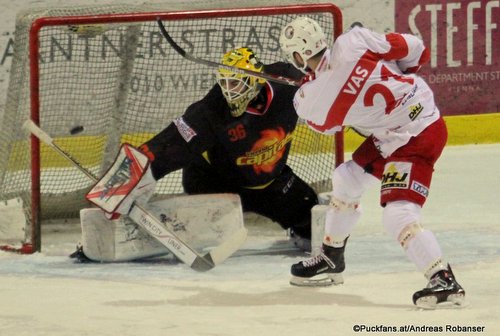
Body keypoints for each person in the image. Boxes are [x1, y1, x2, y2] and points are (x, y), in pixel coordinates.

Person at [278, 17, 465, 308]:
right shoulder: (354, 40)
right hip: (406, 123)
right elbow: (416, 49)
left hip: (417, 136)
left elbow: (326, 126)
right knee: (347, 178)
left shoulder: (310, 99)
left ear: (297, 57)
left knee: (397, 215)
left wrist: (312, 84)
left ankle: (443, 278)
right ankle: (332, 255)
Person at [89, 47, 317, 246]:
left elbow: (326, 82)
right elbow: (167, 144)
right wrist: (124, 182)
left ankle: (299, 229)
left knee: (311, 217)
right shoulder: (210, 111)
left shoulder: (288, 82)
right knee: (208, 231)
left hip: (270, 184)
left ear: (254, 79)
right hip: (214, 185)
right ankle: (159, 230)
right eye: (225, 82)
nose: (229, 90)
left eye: (235, 83)